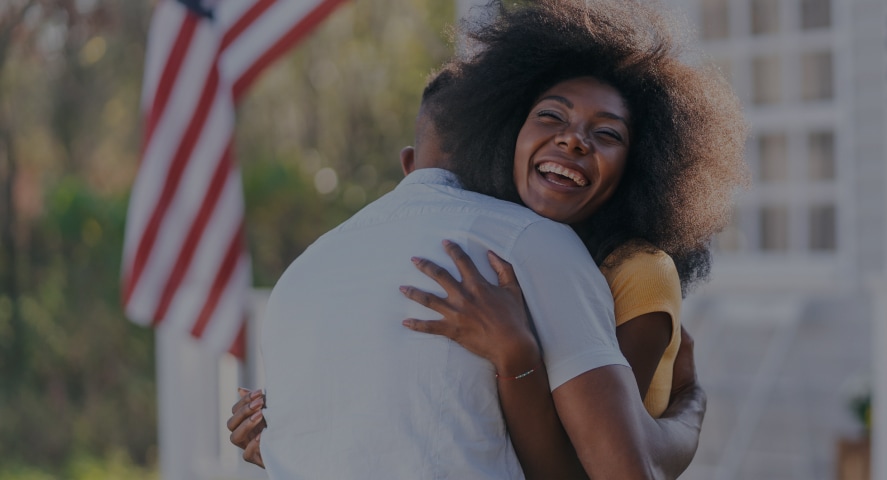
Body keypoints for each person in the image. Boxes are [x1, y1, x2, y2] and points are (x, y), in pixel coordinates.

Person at [229, 0, 746, 478]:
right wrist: (282, 440)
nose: (573, 139)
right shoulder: (515, 251)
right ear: (504, 133)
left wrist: (690, 403)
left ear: (644, 167)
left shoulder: (631, 267)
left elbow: (611, 465)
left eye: (607, 133)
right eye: (550, 116)